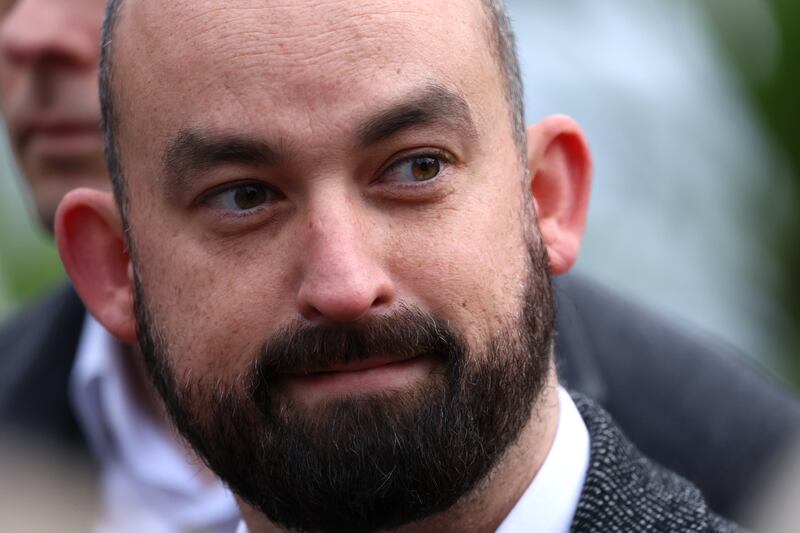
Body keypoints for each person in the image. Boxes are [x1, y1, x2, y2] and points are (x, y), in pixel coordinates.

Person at [0, 0, 796, 529]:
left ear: (547, 198)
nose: (345, 284)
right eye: (244, 196)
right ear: (113, 268)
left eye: (416, 168)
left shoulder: (744, 451)